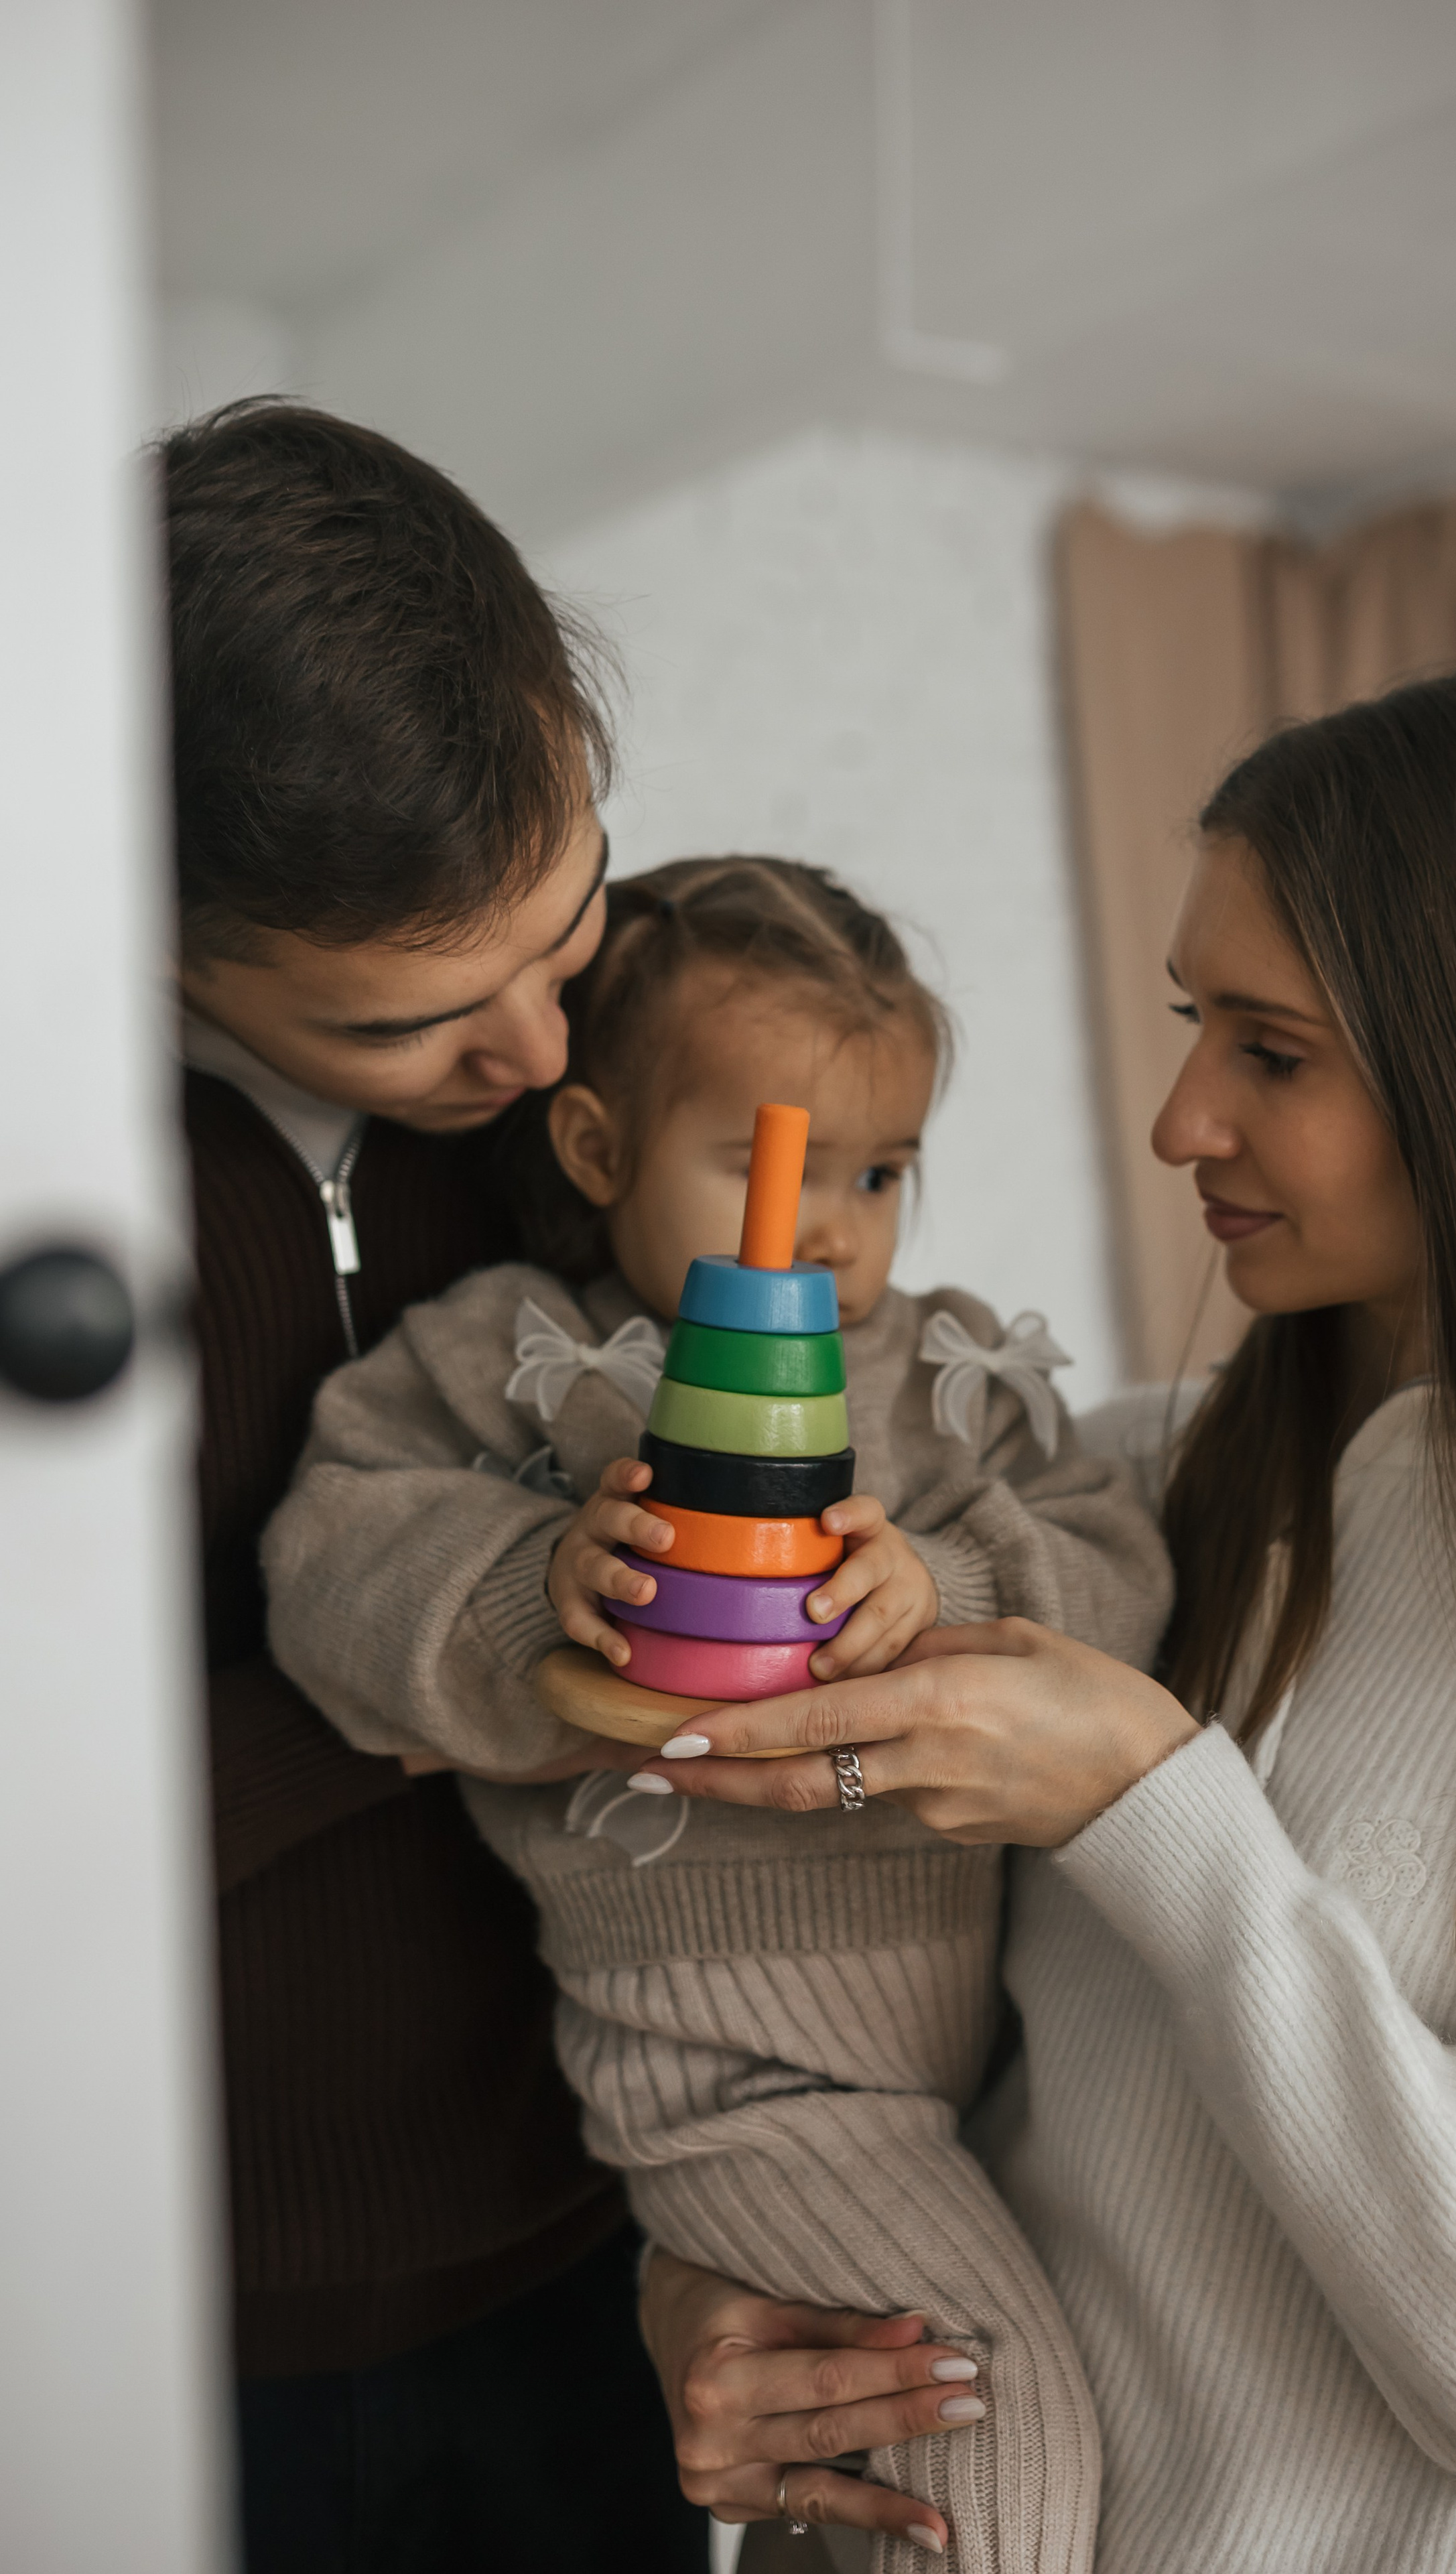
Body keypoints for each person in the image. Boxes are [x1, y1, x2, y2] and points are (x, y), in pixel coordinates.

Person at [621, 675, 1456, 2570]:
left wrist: (1162, 1812)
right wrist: (706, 2294)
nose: (1176, 1117)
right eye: (1192, 1023)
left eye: (1271, 1052)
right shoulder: (1112, 1497)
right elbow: (860, 2022)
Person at [262, 854, 1174, 2569]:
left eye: (879, 1171)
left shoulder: (941, 1372)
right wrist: (541, 1574)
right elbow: (335, 1555)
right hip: (729, 2070)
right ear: (599, 1151)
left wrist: (952, 1598)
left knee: (854, 2501)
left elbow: (1118, 1568)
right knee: (989, 2450)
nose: (827, 1228)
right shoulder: (510, 1362)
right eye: (765, 1162)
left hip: (982, 2050)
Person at [165, 399, 706, 2570]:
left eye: (562, 935)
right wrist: (458, 1661)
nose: (547, 1070)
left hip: (611, 2245)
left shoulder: (652, 1036)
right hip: (167, 2325)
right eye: (415, 1027)